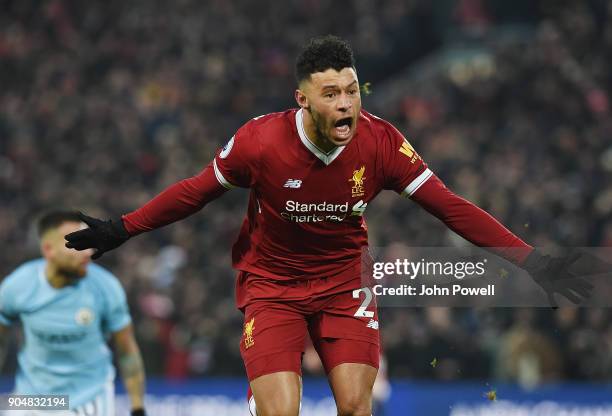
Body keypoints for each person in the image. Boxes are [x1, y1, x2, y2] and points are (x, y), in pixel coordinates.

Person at [65, 35, 594, 416]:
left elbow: (450, 206)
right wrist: (123, 228)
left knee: (356, 407)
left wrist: (532, 261)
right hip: (272, 288)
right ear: (303, 99)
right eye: (330, 94)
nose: (345, 104)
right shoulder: (260, 143)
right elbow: (194, 192)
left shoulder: (382, 142)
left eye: (351, 90)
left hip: (344, 286)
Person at [0, 211, 146, 416]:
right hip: (31, 397)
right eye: (77, 245)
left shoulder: (105, 287)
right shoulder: (18, 286)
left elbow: (127, 351)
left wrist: (138, 407)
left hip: (89, 397)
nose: (87, 252)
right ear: (48, 250)